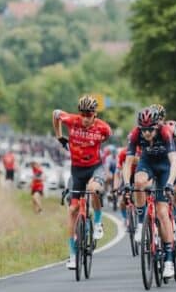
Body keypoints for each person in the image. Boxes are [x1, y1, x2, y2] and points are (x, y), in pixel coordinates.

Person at [52, 95, 112, 270]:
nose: (85, 118)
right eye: (83, 114)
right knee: (72, 210)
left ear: (95, 114)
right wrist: (59, 136)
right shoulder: (72, 120)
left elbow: (106, 138)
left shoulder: (103, 128)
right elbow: (55, 113)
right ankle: (72, 254)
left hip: (94, 168)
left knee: (93, 190)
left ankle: (99, 222)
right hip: (76, 171)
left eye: (89, 114)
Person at [123, 107, 176, 278]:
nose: (147, 133)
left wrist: (170, 183)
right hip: (147, 163)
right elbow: (127, 163)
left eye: (150, 130)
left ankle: (169, 260)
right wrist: (127, 183)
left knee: (162, 212)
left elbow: (174, 162)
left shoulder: (165, 132)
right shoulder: (136, 134)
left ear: (157, 126)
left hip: (165, 167)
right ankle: (142, 222)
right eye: (144, 130)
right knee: (138, 182)